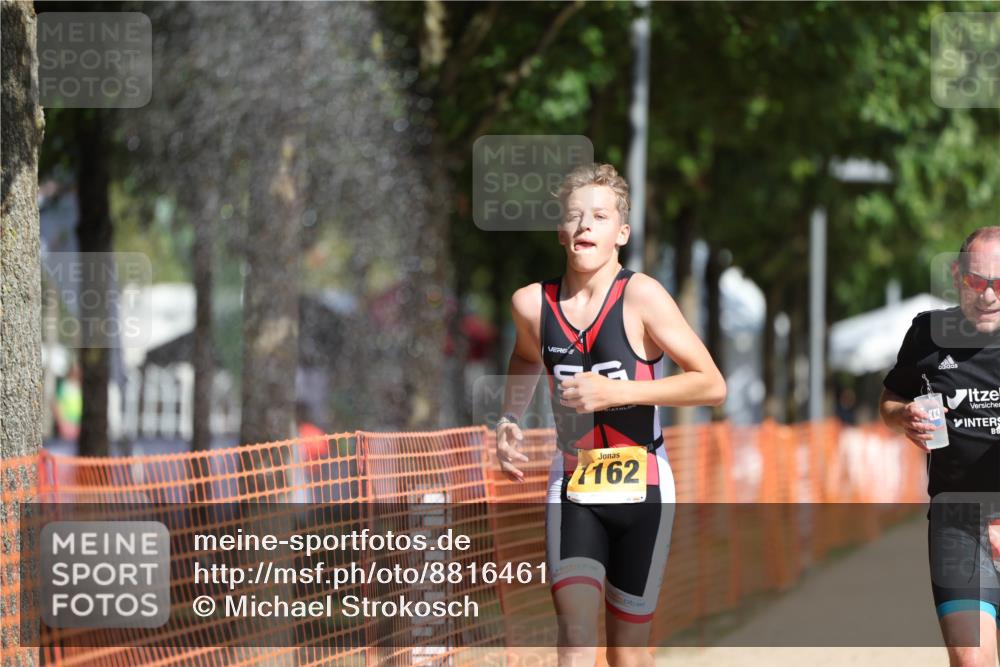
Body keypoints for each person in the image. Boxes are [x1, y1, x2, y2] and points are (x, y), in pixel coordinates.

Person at [495, 163, 726, 667]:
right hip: (574, 484)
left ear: (620, 233)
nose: (584, 226)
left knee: (627, 655)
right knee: (575, 637)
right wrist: (508, 419)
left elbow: (711, 384)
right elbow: (526, 357)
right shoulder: (532, 304)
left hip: (643, 485)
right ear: (560, 231)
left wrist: (611, 394)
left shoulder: (642, 296)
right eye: (574, 217)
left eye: (599, 217)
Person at [880, 226, 1000, 666]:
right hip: (959, 523)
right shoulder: (929, 334)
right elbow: (891, 398)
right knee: (971, 660)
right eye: (976, 281)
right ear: (957, 276)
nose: (988, 296)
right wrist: (902, 416)